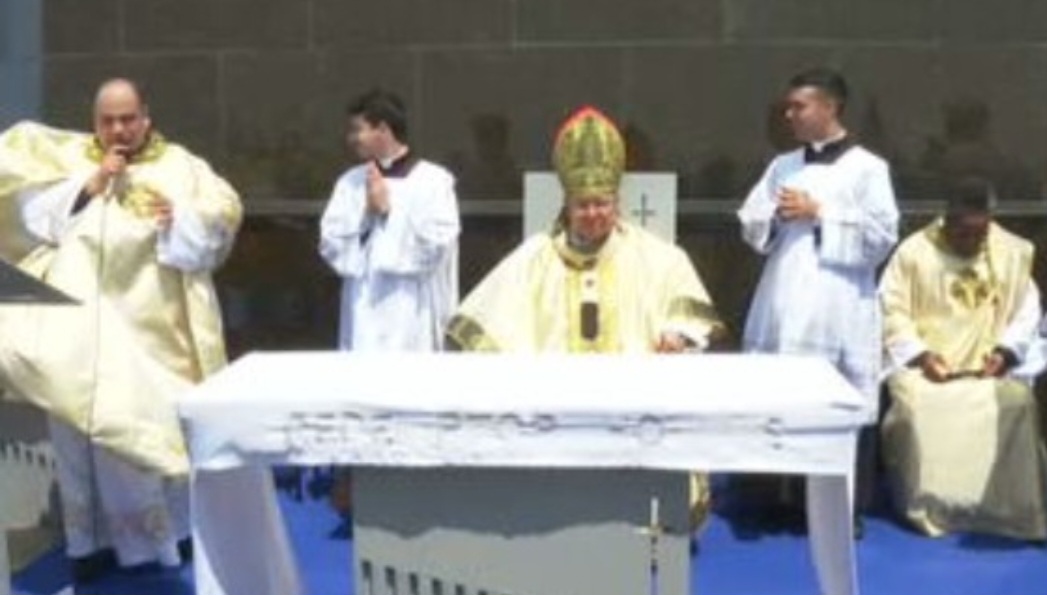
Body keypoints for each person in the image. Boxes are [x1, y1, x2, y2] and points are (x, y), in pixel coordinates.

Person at [0, 78, 241, 580]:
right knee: (78, 438)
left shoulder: (181, 167)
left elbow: (219, 228)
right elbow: (32, 225)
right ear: (95, 122)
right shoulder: (70, 164)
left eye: (128, 118)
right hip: (78, 335)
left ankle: (159, 541)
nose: (119, 130)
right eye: (108, 120)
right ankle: (88, 544)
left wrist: (179, 221)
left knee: (140, 435)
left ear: (145, 117)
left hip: (149, 334)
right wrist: (86, 188)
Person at [736, 68, 899, 532]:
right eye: (787, 107)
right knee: (779, 394)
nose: (789, 114)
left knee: (836, 399)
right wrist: (774, 215)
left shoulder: (869, 168)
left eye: (799, 106)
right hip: (785, 293)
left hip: (838, 299)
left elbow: (882, 236)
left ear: (830, 107)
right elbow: (751, 219)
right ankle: (777, 498)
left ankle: (840, 508)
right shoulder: (783, 165)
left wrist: (821, 214)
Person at [447, 105, 722, 354]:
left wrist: (676, 333)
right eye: (583, 205)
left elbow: (687, 319)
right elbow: (488, 327)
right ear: (567, 205)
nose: (592, 214)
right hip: (558, 402)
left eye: (601, 203)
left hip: (629, 401)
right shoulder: (535, 259)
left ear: (617, 203)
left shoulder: (657, 258)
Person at [880, 177, 1047, 541]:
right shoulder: (913, 253)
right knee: (919, 407)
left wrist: (1005, 353)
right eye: (964, 233)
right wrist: (922, 357)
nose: (973, 241)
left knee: (1017, 402)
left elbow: (1026, 310)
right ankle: (936, 507)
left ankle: (1008, 508)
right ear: (947, 221)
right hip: (928, 370)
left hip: (988, 368)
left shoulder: (1011, 252)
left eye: (981, 232)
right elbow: (891, 310)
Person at [319, 88, 460, 353]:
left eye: (357, 129)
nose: (351, 138)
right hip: (363, 312)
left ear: (382, 129)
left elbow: (437, 246)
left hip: (412, 312)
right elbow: (331, 245)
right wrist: (367, 216)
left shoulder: (434, 181)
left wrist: (388, 214)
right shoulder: (349, 182)